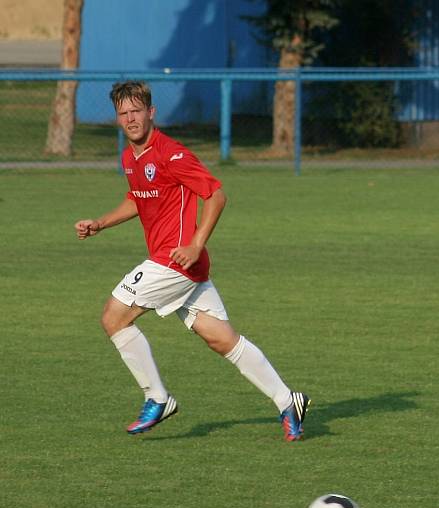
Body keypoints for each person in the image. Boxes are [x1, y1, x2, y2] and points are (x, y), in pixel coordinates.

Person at [75, 80, 310, 441]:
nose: (130, 119)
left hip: (176, 261)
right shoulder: (130, 156)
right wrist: (101, 223)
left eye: (136, 111)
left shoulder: (172, 153)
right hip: (180, 264)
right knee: (221, 338)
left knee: (114, 316)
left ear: (151, 113)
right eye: (123, 113)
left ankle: (157, 398)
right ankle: (287, 400)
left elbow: (215, 195)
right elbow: (139, 198)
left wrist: (197, 244)